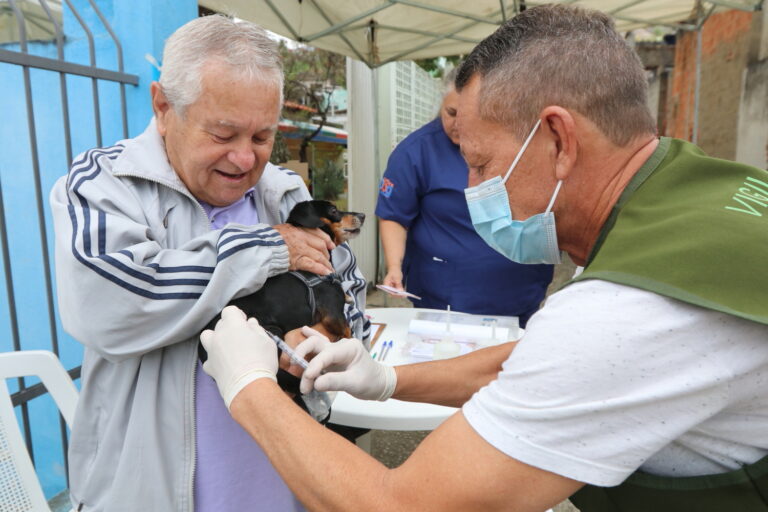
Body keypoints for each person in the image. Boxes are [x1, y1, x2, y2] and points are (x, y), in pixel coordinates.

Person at [199, 4, 768, 512]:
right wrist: (386, 378)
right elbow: (536, 362)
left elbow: (401, 504)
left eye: (480, 163)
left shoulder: (621, 315)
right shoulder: (708, 190)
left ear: (559, 141)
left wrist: (250, 389)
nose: (471, 192)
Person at [49, 15, 368, 512]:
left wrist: (320, 342)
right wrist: (264, 250)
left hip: (283, 488)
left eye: (263, 137)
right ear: (162, 106)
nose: (245, 159)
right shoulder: (102, 184)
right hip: (146, 494)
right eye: (223, 134)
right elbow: (109, 304)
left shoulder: (286, 193)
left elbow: (347, 297)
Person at [376, 68, 552, 326]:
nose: (457, 124)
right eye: (450, 113)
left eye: (467, 115)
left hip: (518, 294)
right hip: (444, 297)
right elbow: (393, 215)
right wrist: (394, 266)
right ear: (441, 105)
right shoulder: (416, 151)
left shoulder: (520, 142)